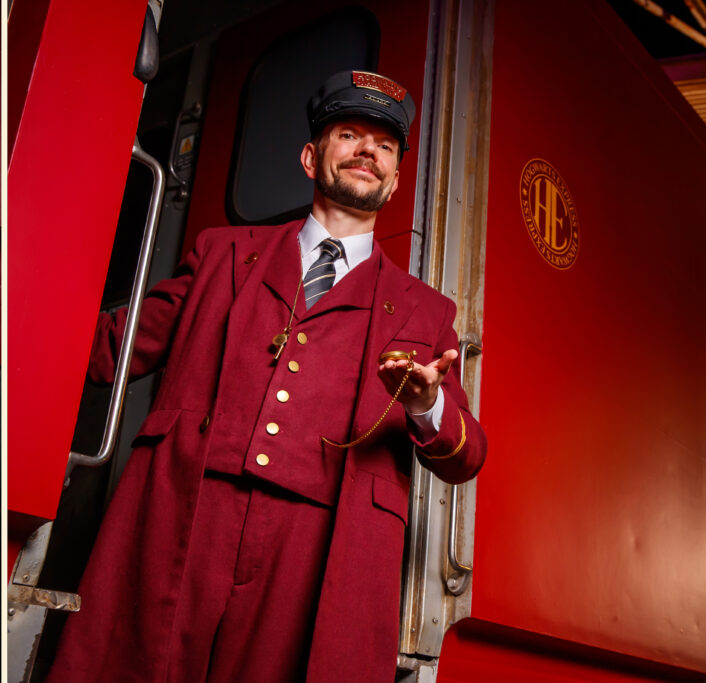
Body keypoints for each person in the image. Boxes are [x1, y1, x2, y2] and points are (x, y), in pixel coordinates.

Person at [48, 70, 486, 682]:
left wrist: (425, 407)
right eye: (349, 134)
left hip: (316, 544)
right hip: (187, 509)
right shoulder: (221, 254)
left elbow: (465, 455)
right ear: (312, 157)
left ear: (392, 179)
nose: (368, 151)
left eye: (384, 146)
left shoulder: (426, 310)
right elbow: (112, 352)